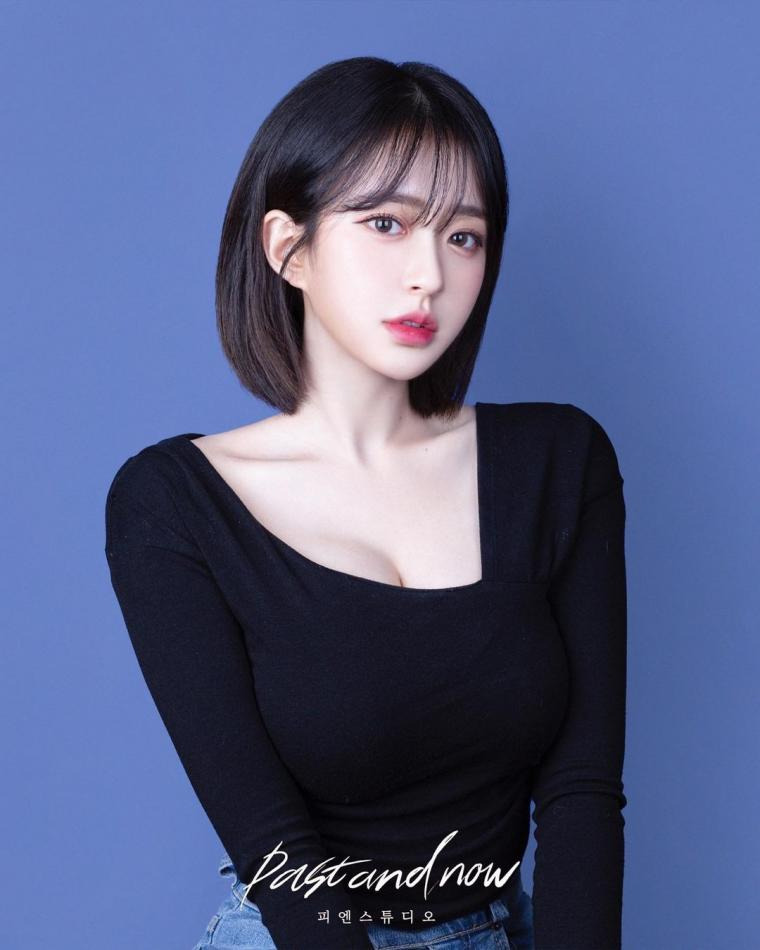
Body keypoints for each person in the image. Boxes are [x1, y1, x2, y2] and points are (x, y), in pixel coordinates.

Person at [104, 56, 627, 950]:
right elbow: (275, 850)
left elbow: (582, 794)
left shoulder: (559, 460)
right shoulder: (175, 504)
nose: (429, 274)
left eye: (463, 236)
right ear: (289, 247)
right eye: (386, 223)